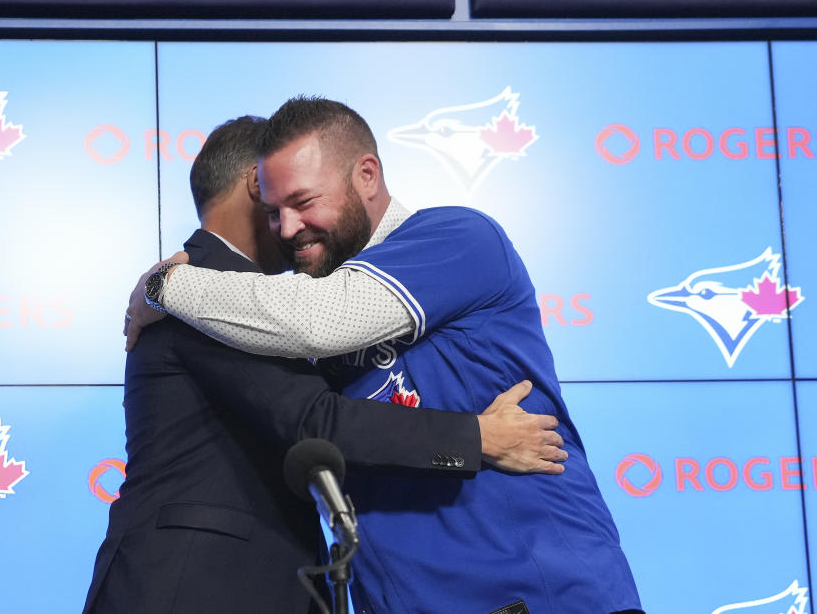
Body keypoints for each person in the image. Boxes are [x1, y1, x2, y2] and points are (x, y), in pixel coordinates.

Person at [126, 98, 643, 613]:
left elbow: (318, 321)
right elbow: (329, 418)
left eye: (304, 202)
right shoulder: (292, 310)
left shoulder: (455, 237)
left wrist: (164, 284)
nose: (287, 229)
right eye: (273, 212)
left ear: (367, 175)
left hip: (531, 592)